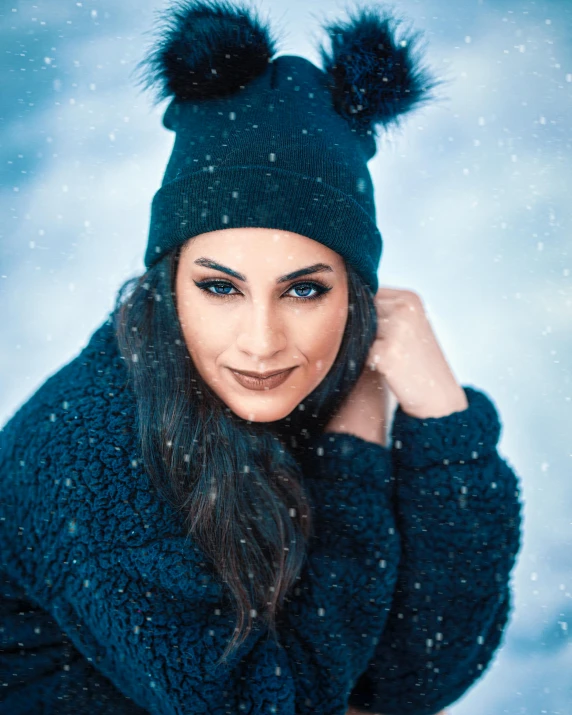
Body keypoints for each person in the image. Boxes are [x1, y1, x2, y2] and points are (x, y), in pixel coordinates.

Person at [0, 1, 522, 714]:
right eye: (220, 286)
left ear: (355, 297)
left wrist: (443, 426)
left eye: (303, 289)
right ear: (169, 285)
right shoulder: (84, 457)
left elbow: (415, 675)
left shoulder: (318, 386)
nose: (261, 340)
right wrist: (354, 454)